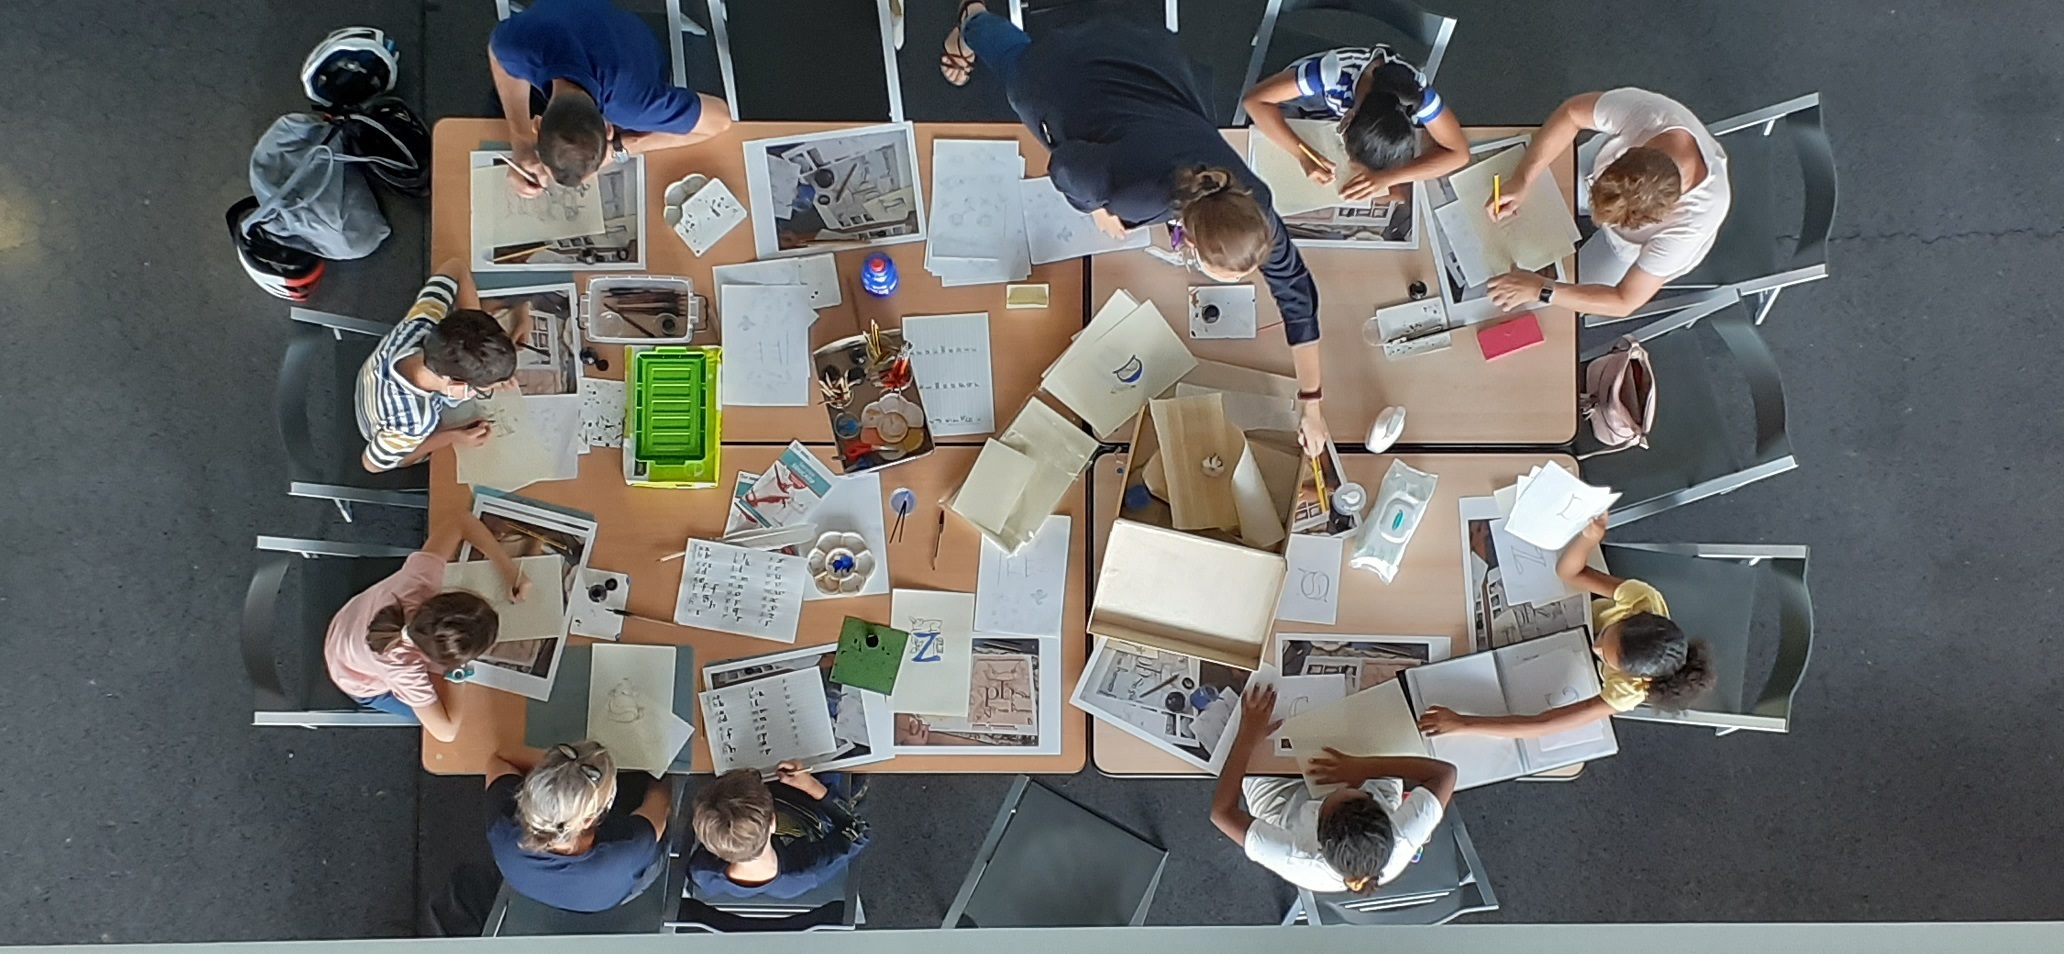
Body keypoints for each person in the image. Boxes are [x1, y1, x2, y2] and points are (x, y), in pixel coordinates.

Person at [939, 2, 1329, 453]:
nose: (1249, 278)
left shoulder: (1249, 201)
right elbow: (1066, 167)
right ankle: (972, 22)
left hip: (1149, 58)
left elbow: (1295, 290)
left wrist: (1312, 403)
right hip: (1071, 72)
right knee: (1013, 60)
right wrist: (1098, 207)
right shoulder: (1134, 194)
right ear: (1194, 245)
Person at [1419, 514, 1717, 740]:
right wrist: (1589, 538)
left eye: (1606, 657)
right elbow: (1570, 572)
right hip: (1564, 615)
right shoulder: (1644, 599)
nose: (1596, 647)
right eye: (1605, 636)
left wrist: (1464, 723)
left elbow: (1545, 724)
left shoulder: (1629, 691)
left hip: (1556, 658)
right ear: (1631, 617)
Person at [1483, 88, 1731, 318]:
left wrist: (1542, 289)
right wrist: (1522, 178)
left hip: (1630, 251)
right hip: (1596, 178)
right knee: (1531, 192)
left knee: (1543, 307)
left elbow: (1624, 301)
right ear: (1630, 152)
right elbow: (1571, 113)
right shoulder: (1650, 114)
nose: (1598, 221)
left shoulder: (1691, 225)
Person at [1210, 685, 1457, 893]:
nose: (1338, 787)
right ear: (1385, 816)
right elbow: (1445, 774)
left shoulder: (1294, 857)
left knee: (1254, 718)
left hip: (1284, 806)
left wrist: (1247, 734)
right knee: (1368, 702)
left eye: (1336, 794)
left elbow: (1222, 813)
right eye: (1358, 792)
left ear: (1318, 825)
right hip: (1366, 775)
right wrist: (1363, 769)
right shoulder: (1403, 835)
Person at [322, 506, 527, 741]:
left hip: (349, 622)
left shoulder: (419, 581)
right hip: (352, 675)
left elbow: (461, 520)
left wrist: (511, 572)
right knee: (455, 719)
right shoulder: (404, 670)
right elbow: (446, 732)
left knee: (452, 708)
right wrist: (457, 675)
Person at [488, 0, 733, 195]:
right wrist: (520, 139)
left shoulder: (634, 106)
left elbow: (721, 118)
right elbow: (497, 54)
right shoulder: (519, 46)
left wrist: (625, 147)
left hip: (637, 53)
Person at [1239, 44, 1469, 201]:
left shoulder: (1413, 94)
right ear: (1346, 121)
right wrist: (1302, 153)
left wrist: (1388, 178)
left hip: (1339, 110)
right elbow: (1253, 101)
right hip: (1304, 100)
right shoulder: (1331, 73)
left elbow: (1459, 153)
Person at [355, 260, 521, 473]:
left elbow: (455, 266)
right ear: (457, 386)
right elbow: (372, 464)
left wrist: (473, 323)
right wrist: (451, 435)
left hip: (376, 378)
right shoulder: (414, 423)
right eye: (481, 389)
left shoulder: (424, 322)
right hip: (378, 427)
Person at [484, 742, 671, 912]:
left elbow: (499, 759)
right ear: (589, 820)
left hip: (540, 887)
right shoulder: (626, 847)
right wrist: (662, 766)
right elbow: (660, 802)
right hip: (612, 888)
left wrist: (563, 771)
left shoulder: (504, 828)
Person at [687, 761, 869, 899]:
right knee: (835, 753)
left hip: (752, 802)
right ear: (773, 822)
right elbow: (858, 831)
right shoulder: (808, 867)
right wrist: (812, 787)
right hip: (807, 803)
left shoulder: (702, 872)